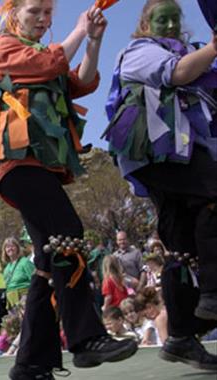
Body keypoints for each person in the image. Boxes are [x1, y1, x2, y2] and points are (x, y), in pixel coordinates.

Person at [0, 1, 138, 378]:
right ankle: (85, 339)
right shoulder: (4, 46)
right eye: (35, 10)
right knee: (68, 232)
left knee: (48, 263)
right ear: (13, 12)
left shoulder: (44, 53)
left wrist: (94, 41)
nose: (44, 19)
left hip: (42, 166)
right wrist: (80, 29)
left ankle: (31, 363)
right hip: (16, 163)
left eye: (49, 13)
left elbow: (78, 81)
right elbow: (48, 64)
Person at [103, 0, 217, 369]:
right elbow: (177, 74)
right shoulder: (139, 53)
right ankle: (214, 293)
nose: (169, 23)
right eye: (160, 18)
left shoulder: (194, 52)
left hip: (184, 155)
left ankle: (182, 336)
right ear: (145, 23)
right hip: (156, 152)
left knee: (180, 246)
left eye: (174, 18)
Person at [1, 237, 35, 310]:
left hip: (24, 298)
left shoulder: (25, 262)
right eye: (7, 247)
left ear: (17, 248)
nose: (10, 248)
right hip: (11, 301)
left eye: (12, 246)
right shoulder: (6, 268)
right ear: (5, 251)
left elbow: (35, 280)